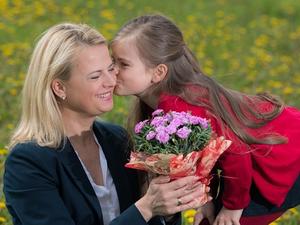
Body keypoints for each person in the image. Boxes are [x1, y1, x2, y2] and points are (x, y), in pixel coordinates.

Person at [3, 23, 209, 225]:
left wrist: (168, 205)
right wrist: (145, 208)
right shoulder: (28, 162)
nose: (111, 81)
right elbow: (142, 212)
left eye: (111, 69)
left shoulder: (117, 139)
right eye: (95, 76)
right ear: (59, 87)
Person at [110, 14, 300, 225]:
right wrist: (205, 197)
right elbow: (201, 154)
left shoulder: (180, 107)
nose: (113, 70)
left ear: (158, 72)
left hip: (283, 155)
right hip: (265, 153)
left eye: (123, 64)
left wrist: (233, 207)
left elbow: (235, 152)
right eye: (113, 61)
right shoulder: (163, 101)